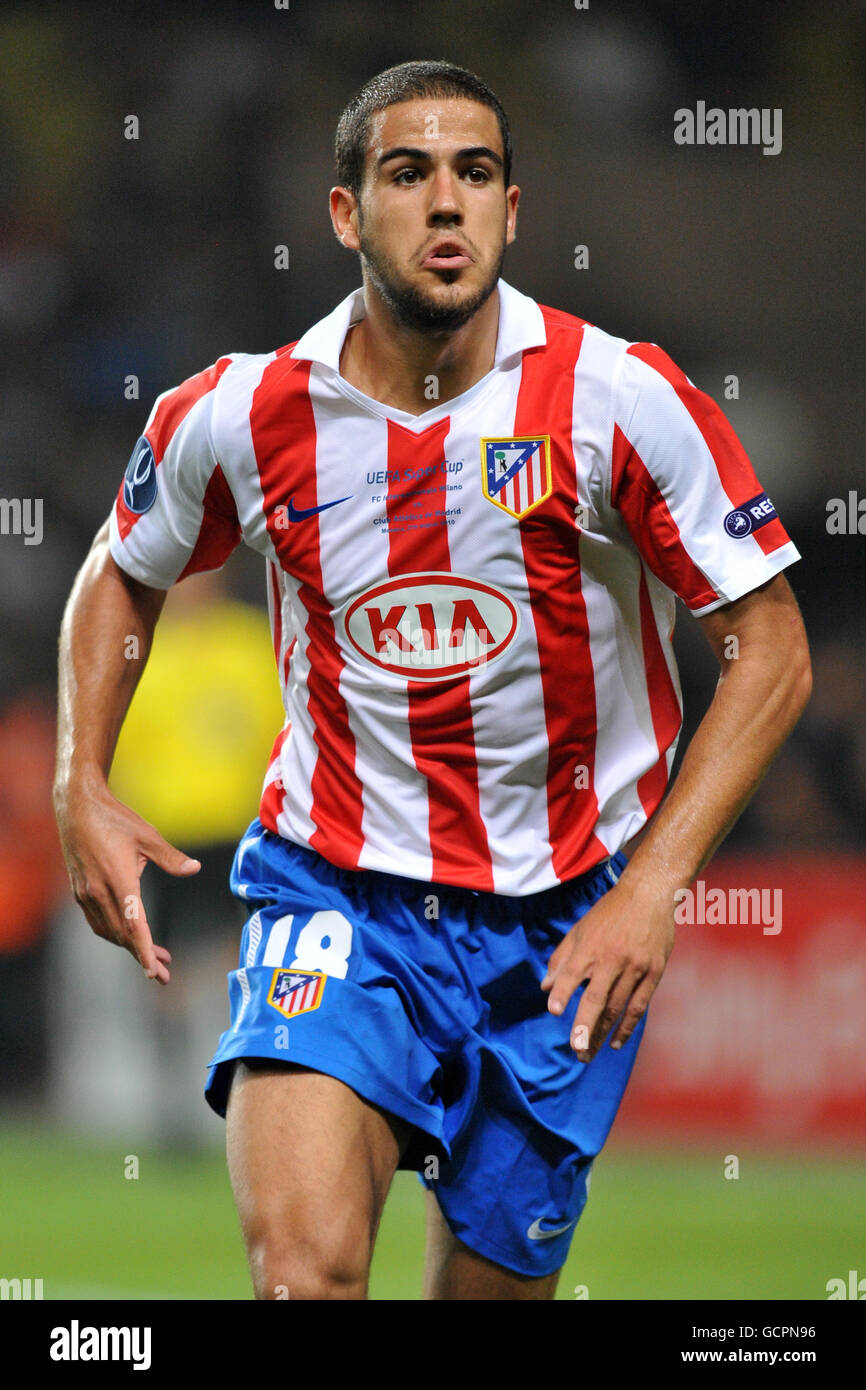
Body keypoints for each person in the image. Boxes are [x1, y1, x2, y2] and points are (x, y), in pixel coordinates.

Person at [53, 60, 811, 1301]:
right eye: (407, 174)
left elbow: (769, 645)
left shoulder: (620, 399)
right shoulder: (246, 412)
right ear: (347, 212)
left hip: (564, 920)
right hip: (337, 891)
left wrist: (657, 883)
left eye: (474, 175)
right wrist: (77, 777)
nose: (444, 204)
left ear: (514, 212)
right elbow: (117, 566)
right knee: (304, 1276)